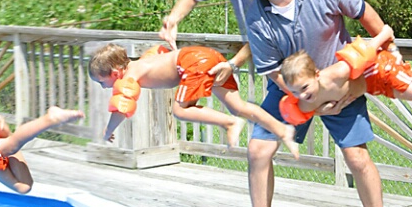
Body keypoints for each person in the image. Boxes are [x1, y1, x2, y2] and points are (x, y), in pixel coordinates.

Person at [225, 0, 399, 207]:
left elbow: (368, 16)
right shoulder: (256, 16)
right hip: (290, 90)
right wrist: (313, 104)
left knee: (357, 157)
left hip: (339, 82)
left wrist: (390, 51)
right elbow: (275, 74)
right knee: (258, 149)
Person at [88, 43, 299, 158]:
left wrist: (108, 131)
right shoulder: (142, 61)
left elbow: (122, 107)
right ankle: (281, 129)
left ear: (116, 73)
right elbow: (160, 52)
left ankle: (230, 123)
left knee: (179, 110)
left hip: (192, 64)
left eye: (102, 82)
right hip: (207, 56)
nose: (103, 87)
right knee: (238, 106)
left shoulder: (130, 77)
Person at [279, 24, 412, 123]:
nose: (302, 94)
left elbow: (362, 53)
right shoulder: (305, 104)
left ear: (316, 75)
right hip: (372, 86)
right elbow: (302, 114)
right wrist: (323, 112)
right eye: (294, 92)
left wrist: (384, 35)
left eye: (304, 87)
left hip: (380, 67)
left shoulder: (337, 74)